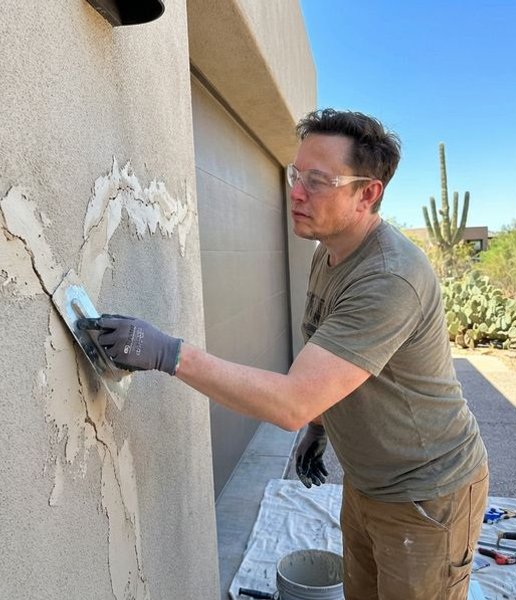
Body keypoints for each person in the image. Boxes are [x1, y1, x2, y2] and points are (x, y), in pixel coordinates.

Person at [78, 109, 488, 600]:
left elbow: (292, 402)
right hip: (367, 483)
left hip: (427, 494)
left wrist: (164, 351)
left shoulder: (389, 278)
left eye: (318, 180)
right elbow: (327, 367)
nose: (296, 192)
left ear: (367, 193)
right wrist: (321, 429)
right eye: (297, 175)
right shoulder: (328, 252)